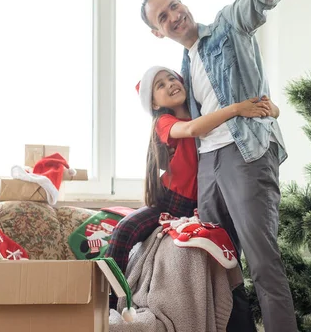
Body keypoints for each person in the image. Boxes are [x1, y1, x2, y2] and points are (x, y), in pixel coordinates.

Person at [139, 0, 297, 330]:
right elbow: (186, 125)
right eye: (163, 16)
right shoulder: (183, 68)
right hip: (209, 165)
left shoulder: (227, 26)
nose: (173, 15)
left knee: (262, 261)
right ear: (158, 31)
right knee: (221, 267)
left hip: (245, 154)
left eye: (173, 5)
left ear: (184, 5)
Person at [106, 65, 276, 310]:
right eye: (160, 85)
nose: (170, 84)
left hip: (203, 202)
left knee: (227, 254)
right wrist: (238, 108)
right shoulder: (164, 121)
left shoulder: (206, 110)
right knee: (123, 230)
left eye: (172, 78)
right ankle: (109, 303)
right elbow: (193, 129)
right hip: (169, 200)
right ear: (154, 103)